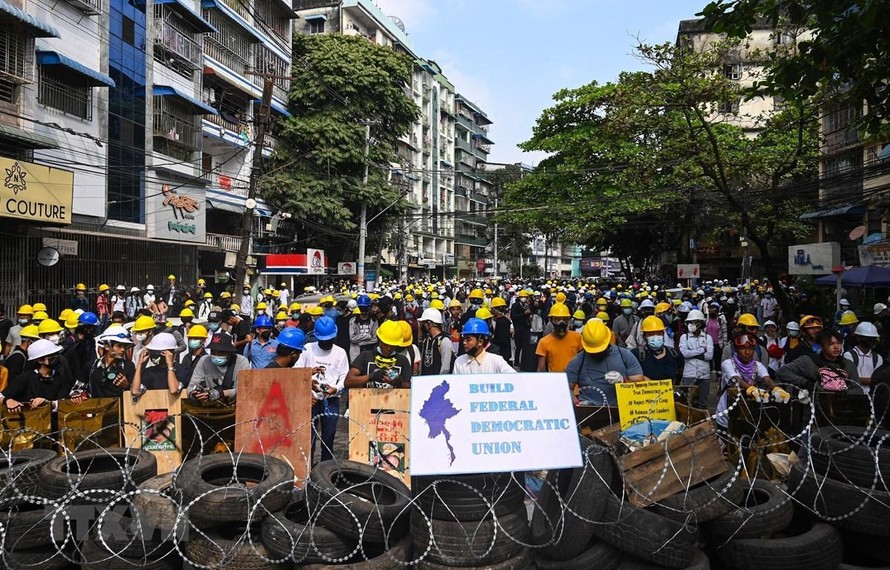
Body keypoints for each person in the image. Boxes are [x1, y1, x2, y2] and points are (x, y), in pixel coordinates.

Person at [298, 317, 349, 464]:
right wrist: (309, 377)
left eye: (329, 340)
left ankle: (326, 469)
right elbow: (297, 371)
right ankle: (308, 468)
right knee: (309, 437)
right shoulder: (308, 349)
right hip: (311, 399)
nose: (326, 343)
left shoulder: (340, 353)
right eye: (323, 340)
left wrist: (336, 388)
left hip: (331, 400)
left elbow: (344, 375)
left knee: (328, 437)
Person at [566, 319, 644, 406]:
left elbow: (640, 388)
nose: (597, 353)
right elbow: (565, 389)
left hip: (622, 410)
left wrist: (623, 381)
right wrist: (578, 404)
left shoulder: (625, 356)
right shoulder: (578, 361)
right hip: (590, 413)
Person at [715, 334, 783, 430]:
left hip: (747, 416)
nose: (747, 352)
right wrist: (752, 389)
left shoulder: (757, 365)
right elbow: (736, 379)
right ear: (736, 350)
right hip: (726, 415)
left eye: (751, 349)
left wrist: (777, 389)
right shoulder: (727, 364)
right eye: (743, 348)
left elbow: (767, 379)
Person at [2, 339, 85, 413]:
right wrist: (7, 400)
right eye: (51, 357)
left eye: (56, 355)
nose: (56, 359)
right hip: (30, 422)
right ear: (40, 360)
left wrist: (47, 403)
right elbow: (2, 395)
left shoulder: (60, 378)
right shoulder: (26, 377)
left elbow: (61, 403)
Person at [777, 329, 861, 393]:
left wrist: (846, 392)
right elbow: (782, 372)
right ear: (822, 346)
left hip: (839, 411)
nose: (836, 347)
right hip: (814, 408)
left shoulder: (848, 364)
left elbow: (858, 389)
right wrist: (805, 383)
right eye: (831, 344)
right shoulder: (808, 361)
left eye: (838, 343)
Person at [345, 320, 412, 389]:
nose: (389, 348)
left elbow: (408, 387)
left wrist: (399, 383)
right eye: (386, 344)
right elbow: (348, 382)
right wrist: (371, 377)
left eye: (392, 345)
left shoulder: (403, 361)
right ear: (379, 339)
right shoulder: (366, 356)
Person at [187, 332, 250, 403]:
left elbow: (245, 389)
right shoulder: (204, 360)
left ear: (229, 352)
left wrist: (220, 394)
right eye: (213, 352)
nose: (216, 355)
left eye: (220, 353)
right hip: (211, 405)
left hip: (235, 404)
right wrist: (193, 394)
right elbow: (192, 385)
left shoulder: (241, 361)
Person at [131, 332, 187, 397]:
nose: (155, 355)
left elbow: (174, 390)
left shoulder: (181, 370)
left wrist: (170, 365)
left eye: (158, 352)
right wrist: (140, 364)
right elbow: (135, 391)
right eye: (153, 352)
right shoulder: (150, 372)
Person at [679, 309, 714, 409]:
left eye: (695, 322)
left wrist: (692, 353)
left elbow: (709, 356)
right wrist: (702, 350)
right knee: (687, 401)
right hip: (689, 374)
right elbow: (684, 354)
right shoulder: (684, 337)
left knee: (702, 402)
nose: (692, 324)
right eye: (690, 322)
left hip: (704, 375)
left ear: (701, 323)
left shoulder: (708, 338)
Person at [89, 326, 136, 399]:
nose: (123, 349)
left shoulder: (129, 366)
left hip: (120, 408)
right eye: (119, 346)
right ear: (107, 346)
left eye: (124, 346)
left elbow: (136, 393)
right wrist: (78, 394)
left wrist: (127, 386)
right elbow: (78, 388)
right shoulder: (92, 365)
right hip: (96, 408)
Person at [635, 316, 685, 384]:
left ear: (663, 334)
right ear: (644, 336)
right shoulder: (636, 355)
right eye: (650, 334)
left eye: (659, 334)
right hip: (645, 393)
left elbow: (680, 372)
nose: (655, 337)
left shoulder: (675, 354)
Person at [536, 303, 583, 372]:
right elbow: (541, 368)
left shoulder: (578, 337)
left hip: (574, 381)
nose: (562, 323)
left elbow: (583, 362)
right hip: (555, 381)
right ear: (551, 320)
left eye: (565, 319)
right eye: (557, 319)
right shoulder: (544, 342)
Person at [843, 322, 883, 392]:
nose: (871, 341)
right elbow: (847, 378)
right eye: (868, 338)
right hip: (853, 395)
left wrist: (858, 379)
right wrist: (868, 380)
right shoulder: (849, 355)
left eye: (873, 338)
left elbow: (877, 381)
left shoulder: (878, 358)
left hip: (872, 396)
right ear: (858, 338)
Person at [417, 308, 455, 375]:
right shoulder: (426, 341)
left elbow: (445, 367)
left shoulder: (444, 341)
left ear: (429, 324)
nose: (422, 326)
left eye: (424, 323)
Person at [348, 295, 377, 362]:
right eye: (361, 307)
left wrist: (360, 342)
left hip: (370, 354)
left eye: (365, 307)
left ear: (369, 307)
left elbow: (375, 339)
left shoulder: (374, 321)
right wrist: (368, 336)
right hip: (356, 355)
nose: (363, 310)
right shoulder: (353, 321)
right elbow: (352, 338)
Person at [510, 290, 532, 367]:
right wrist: (524, 313)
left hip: (526, 328)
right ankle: (516, 361)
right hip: (518, 329)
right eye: (522, 297)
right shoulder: (515, 306)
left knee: (526, 346)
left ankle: (524, 361)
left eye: (525, 297)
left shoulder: (527, 305)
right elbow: (514, 317)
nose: (524, 298)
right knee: (518, 346)